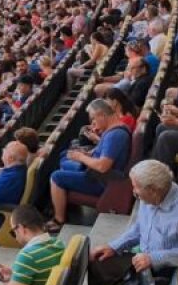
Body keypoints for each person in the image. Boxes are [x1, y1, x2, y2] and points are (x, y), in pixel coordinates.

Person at [46, 99, 133, 231]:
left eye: (94, 118)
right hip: (97, 175)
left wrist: (81, 157)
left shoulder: (115, 135)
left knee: (56, 176)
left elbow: (103, 166)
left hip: (102, 181)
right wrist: (88, 155)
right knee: (65, 157)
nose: (93, 122)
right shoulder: (114, 130)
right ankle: (62, 205)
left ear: (101, 115)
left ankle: (59, 219)